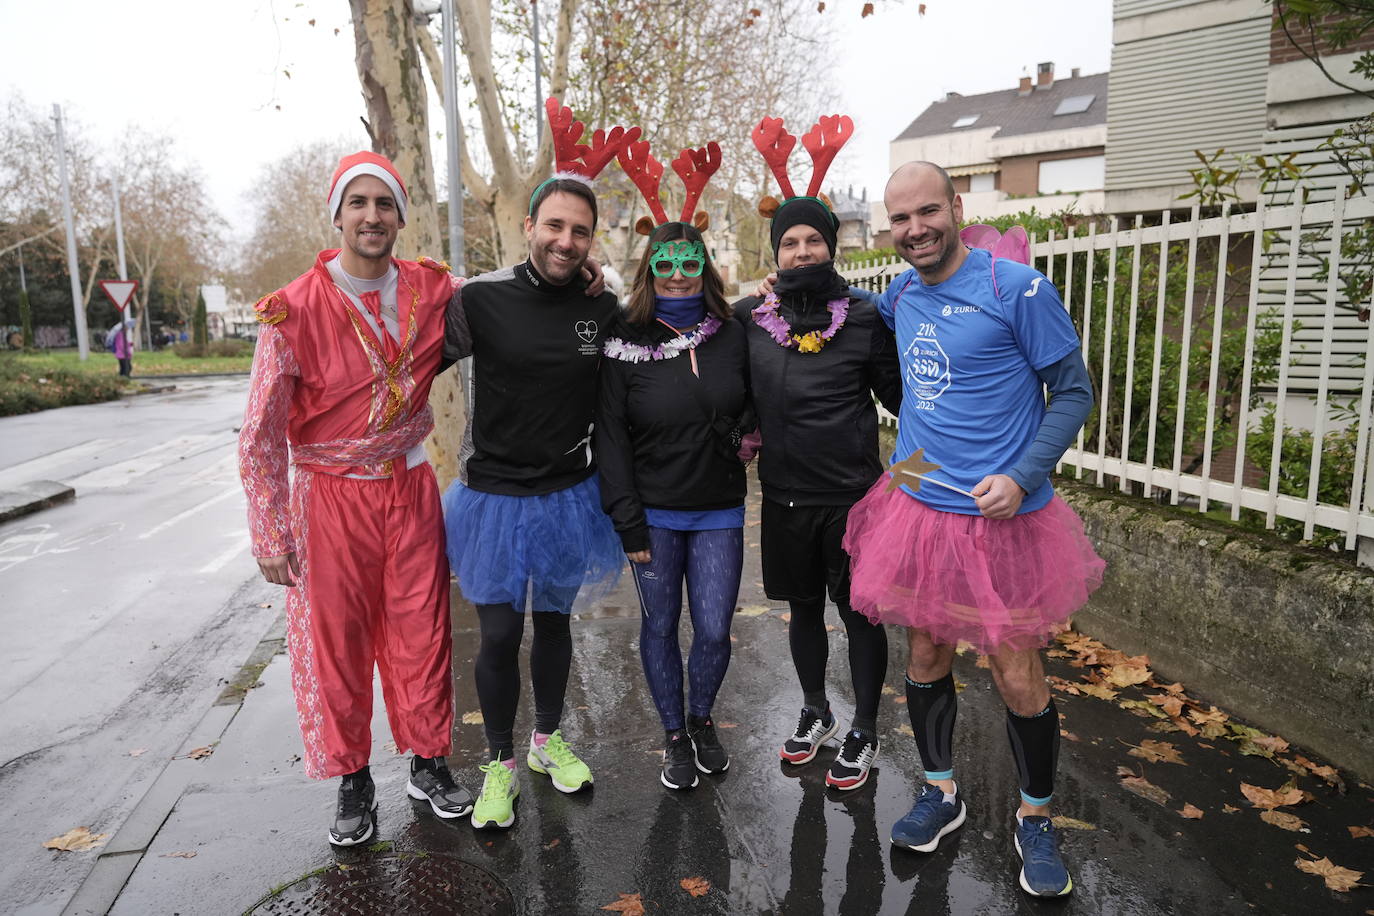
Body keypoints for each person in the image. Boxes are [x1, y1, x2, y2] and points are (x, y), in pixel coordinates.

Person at [843, 161, 1102, 897]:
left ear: (957, 207)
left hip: (1004, 519)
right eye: (900, 219)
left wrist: (1021, 475)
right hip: (921, 509)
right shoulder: (900, 291)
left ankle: (1036, 817)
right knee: (924, 650)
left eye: (928, 212)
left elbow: (1074, 390)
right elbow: (874, 336)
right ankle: (940, 792)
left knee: (1015, 671)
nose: (915, 229)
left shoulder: (1015, 289)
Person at [238, 151, 478, 846]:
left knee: (424, 632)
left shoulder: (435, 290)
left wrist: (578, 275)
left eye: (385, 203)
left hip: (408, 487)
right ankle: (353, 780)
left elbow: (506, 295)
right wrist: (270, 532)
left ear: (401, 216)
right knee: (337, 642)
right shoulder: (292, 311)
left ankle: (428, 763)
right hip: (329, 500)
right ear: (337, 215)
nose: (372, 216)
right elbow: (258, 436)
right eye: (359, 203)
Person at [441, 98, 632, 829]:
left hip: (567, 497)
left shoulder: (602, 307)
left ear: (592, 241)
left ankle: (548, 742)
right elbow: (410, 362)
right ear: (529, 227)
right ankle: (499, 765)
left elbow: (665, 340)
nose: (566, 240)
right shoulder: (480, 300)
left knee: (554, 627)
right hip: (489, 497)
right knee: (496, 636)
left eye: (581, 231)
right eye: (554, 225)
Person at [736, 114, 902, 792]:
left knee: (861, 614)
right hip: (784, 495)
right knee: (802, 609)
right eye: (790, 242)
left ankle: (863, 725)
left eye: (813, 240)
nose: (802, 251)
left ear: (831, 246)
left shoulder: (864, 315)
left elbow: (903, 398)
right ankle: (815, 712)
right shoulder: (752, 319)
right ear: (776, 252)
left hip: (855, 499)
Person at [597, 139, 750, 790]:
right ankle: (673, 738)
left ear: (705, 267)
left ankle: (701, 717)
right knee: (660, 625)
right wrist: (626, 521)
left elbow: (766, 391)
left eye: (691, 263)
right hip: (653, 516)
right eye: (667, 262)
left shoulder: (735, 331)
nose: (680, 274)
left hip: (718, 508)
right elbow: (609, 436)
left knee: (713, 628)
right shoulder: (624, 339)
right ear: (650, 267)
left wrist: (753, 433)